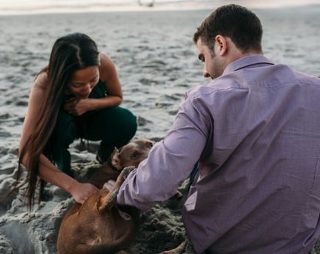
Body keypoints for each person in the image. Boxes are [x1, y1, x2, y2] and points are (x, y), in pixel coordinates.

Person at [115, 4, 320, 252]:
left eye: (203, 57)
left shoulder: (205, 99)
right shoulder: (315, 89)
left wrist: (120, 196)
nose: (204, 71)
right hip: (296, 245)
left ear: (220, 44)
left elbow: (157, 182)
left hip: (220, 244)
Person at [18, 33, 138, 205]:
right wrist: (74, 186)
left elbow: (117, 97)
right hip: (62, 129)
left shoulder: (104, 63)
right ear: (62, 77)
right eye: (78, 85)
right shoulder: (44, 84)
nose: (87, 88)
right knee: (60, 130)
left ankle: (104, 156)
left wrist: (89, 104)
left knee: (127, 121)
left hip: (93, 119)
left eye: (93, 80)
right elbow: (26, 151)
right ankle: (63, 166)